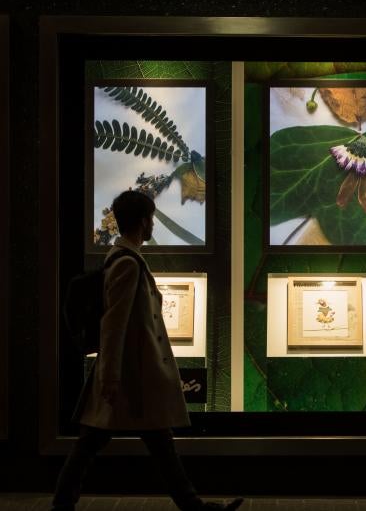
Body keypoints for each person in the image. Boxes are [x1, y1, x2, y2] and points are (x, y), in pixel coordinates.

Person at [52, 190, 243, 511]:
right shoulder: (127, 265)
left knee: (126, 444)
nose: (153, 223)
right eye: (151, 217)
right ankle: (62, 505)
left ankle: (193, 506)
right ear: (143, 222)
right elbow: (114, 325)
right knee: (108, 444)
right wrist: (109, 379)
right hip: (129, 378)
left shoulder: (121, 258)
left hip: (130, 376)